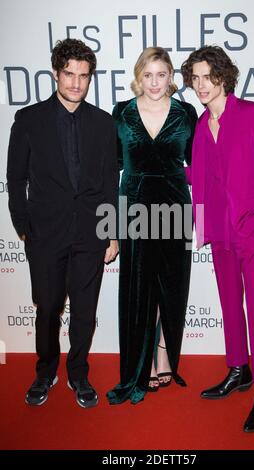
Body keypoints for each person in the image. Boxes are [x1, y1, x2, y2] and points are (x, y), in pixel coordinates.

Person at [7, 38, 119, 408]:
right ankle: (45, 371)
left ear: (90, 79)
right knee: (48, 307)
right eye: (69, 74)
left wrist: (111, 233)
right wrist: (23, 227)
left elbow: (108, 184)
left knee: (85, 310)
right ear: (56, 73)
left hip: (90, 234)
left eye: (83, 76)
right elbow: (15, 178)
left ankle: (79, 374)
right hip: (45, 234)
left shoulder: (104, 124)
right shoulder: (28, 120)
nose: (75, 83)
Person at [181, 45, 254, 432]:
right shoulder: (198, 124)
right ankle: (238, 369)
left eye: (207, 76)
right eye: (195, 77)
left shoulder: (248, 114)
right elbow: (199, 175)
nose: (201, 84)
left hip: (250, 230)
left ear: (223, 76)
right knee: (230, 304)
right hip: (219, 230)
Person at [106, 47, 198, 405]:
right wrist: (111, 228)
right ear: (138, 77)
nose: (155, 82)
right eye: (148, 75)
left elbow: (202, 166)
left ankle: (163, 356)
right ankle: (137, 369)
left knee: (170, 287)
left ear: (170, 77)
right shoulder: (121, 113)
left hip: (176, 206)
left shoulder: (186, 113)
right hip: (133, 210)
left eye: (161, 75)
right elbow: (110, 170)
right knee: (138, 289)